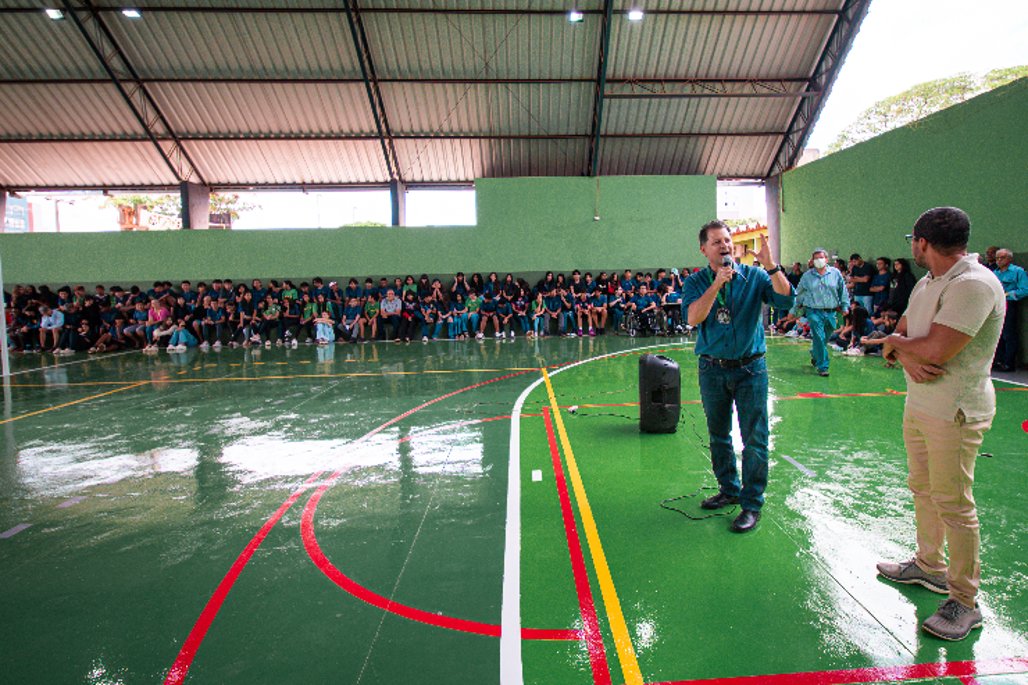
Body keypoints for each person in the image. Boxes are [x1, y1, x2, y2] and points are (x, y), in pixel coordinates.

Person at [876, 207, 1005, 641]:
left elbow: (930, 348)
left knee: (954, 502)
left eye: (913, 240)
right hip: (920, 404)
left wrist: (901, 345)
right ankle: (930, 565)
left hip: (956, 411)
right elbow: (905, 339)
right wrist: (905, 347)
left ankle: (965, 601)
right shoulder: (928, 284)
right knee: (923, 487)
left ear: (923, 243)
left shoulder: (974, 284)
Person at [681, 221, 795, 533]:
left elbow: (786, 300)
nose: (725, 246)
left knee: (755, 437)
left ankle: (751, 503)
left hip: (750, 369)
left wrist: (771, 265)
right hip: (712, 368)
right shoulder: (695, 282)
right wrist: (717, 284)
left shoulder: (756, 277)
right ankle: (729, 489)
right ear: (704, 249)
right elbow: (693, 317)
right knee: (719, 434)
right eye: (717, 241)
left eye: (728, 240)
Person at [795, 248, 849, 376]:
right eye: (816, 258)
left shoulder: (835, 274)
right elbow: (799, 293)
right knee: (819, 336)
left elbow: (843, 291)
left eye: (821, 257)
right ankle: (823, 366)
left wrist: (845, 306)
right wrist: (794, 309)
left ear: (827, 259)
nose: (819, 260)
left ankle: (815, 353)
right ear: (812, 261)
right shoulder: (807, 276)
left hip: (831, 312)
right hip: (813, 311)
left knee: (824, 338)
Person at [991, 248, 1028, 372]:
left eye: (1002, 258)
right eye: (997, 258)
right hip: (995, 305)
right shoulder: (994, 273)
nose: (999, 260)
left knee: (1008, 334)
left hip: (1009, 304)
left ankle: (1009, 362)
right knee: (997, 334)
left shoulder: (1017, 272)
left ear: (1009, 259)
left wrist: (1008, 294)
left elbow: (1025, 289)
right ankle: (998, 360)